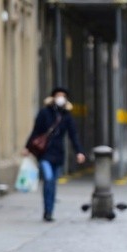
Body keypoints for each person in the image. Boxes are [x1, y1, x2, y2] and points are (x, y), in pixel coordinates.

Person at [24, 87, 86, 222]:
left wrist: (79, 151)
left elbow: (73, 135)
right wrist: (27, 147)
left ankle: (50, 211)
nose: (60, 98)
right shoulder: (44, 113)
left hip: (58, 154)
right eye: (58, 95)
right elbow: (36, 131)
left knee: (53, 183)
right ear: (53, 97)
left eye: (63, 96)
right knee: (48, 179)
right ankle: (47, 210)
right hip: (44, 153)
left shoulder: (66, 116)